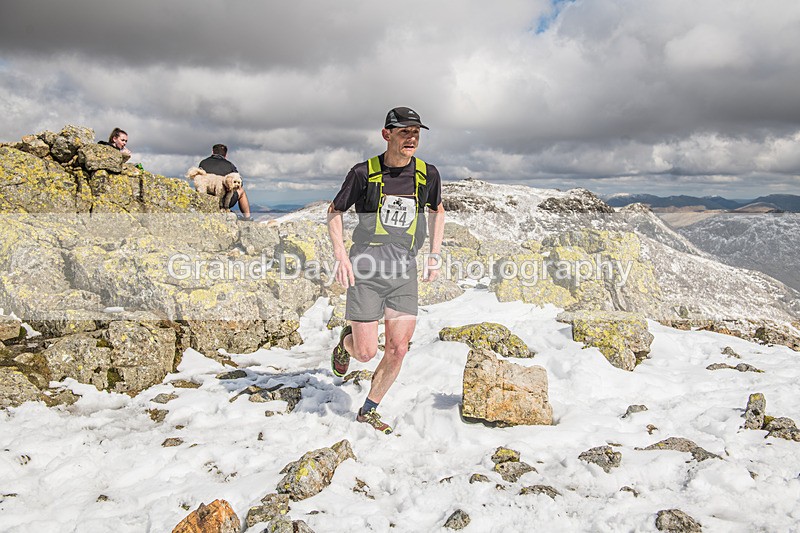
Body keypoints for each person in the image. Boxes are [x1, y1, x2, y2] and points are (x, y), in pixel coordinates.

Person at [327, 106, 445, 434]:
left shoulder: (427, 174)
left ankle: (368, 409)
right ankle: (345, 342)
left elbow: (438, 211)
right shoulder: (362, 173)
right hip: (365, 270)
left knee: (398, 347)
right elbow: (334, 211)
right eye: (405, 132)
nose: (412, 138)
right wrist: (340, 253)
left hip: (403, 271)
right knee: (365, 353)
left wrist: (434, 254)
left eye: (416, 132)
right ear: (386, 134)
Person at [198, 144, 252, 220]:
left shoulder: (203, 163)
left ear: (212, 152)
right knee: (241, 191)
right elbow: (240, 183)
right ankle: (247, 218)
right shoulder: (229, 165)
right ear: (226, 154)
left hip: (206, 198)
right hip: (223, 201)